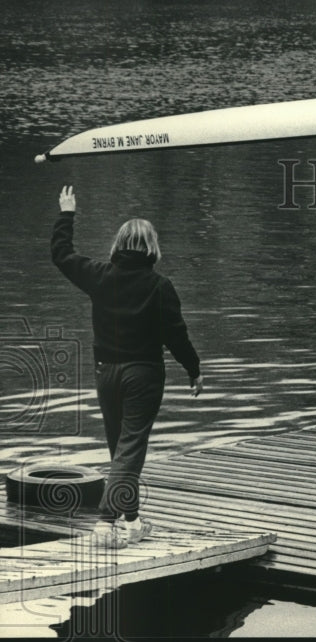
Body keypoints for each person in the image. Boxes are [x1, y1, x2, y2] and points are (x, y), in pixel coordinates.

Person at [51, 186, 203, 549]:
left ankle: (131, 521)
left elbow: (61, 254)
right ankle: (106, 523)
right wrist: (193, 368)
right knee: (130, 449)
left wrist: (67, 213)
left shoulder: (98, 275)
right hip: (144, 375)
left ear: (118, 244)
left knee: (121, 450)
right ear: (152, 248)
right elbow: (176, 335)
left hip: (107, 374)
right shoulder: (159, 286)